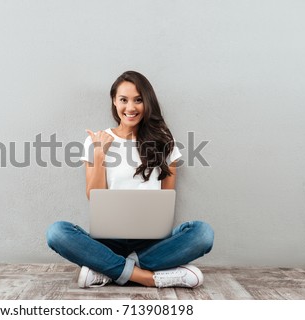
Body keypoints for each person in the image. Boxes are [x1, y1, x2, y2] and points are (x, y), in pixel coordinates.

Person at [46, 71, 214, 288]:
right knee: (57, 232)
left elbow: (167, 200)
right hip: (107, 243)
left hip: (152, 244)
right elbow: (94, 196)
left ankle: (107, 271)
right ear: (114, 102)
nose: (130, 108)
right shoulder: (96, 141)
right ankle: (148, 277)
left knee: (203, 234)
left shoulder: (166, 144)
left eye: (138, 100)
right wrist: (99, 155)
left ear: (147, 102)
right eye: (123, 100)